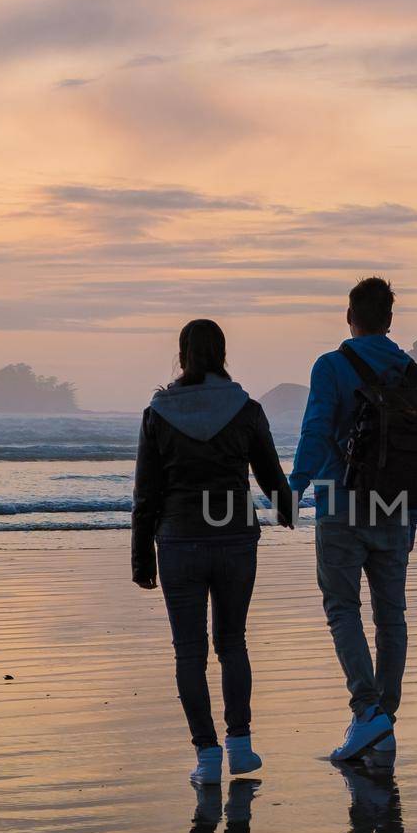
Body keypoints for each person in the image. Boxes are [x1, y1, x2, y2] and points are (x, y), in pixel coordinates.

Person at [133, 318, 294, 784]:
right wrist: (289, 513)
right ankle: (240, 744)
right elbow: (270, 476)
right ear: (222, 354)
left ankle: (206, 755)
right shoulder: (245, 408)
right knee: (232, 642)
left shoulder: (158, 413)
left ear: (182, 355)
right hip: (235, 540)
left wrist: (142, 559)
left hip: (178, 541)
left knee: (189, 652)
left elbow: (146, 494)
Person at [289, 276, 417, 769]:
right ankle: (383, 719)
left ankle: (367, 710)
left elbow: (315, 428)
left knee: (342, 608)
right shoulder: (413, 374)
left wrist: (296, 486)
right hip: (396, 508)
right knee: (391, 616)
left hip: (340, 504)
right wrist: (413, 512)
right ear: (389, 320)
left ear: (350, 316)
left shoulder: (331, 366)